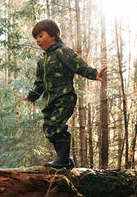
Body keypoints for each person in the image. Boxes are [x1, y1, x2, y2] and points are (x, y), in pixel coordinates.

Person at [23, 19, 107, 169]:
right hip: (50, 100)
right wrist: (32, 96)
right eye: (36, 38)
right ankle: (65, 160)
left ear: (54, 35)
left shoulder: (63, 51)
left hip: (64, 97)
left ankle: (62, 160)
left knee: (56, 126)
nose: (38, 41)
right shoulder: (42, 61)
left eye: (41, 36)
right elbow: (39, 82)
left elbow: (79, 65)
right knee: (49, 128)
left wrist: (94, 74)